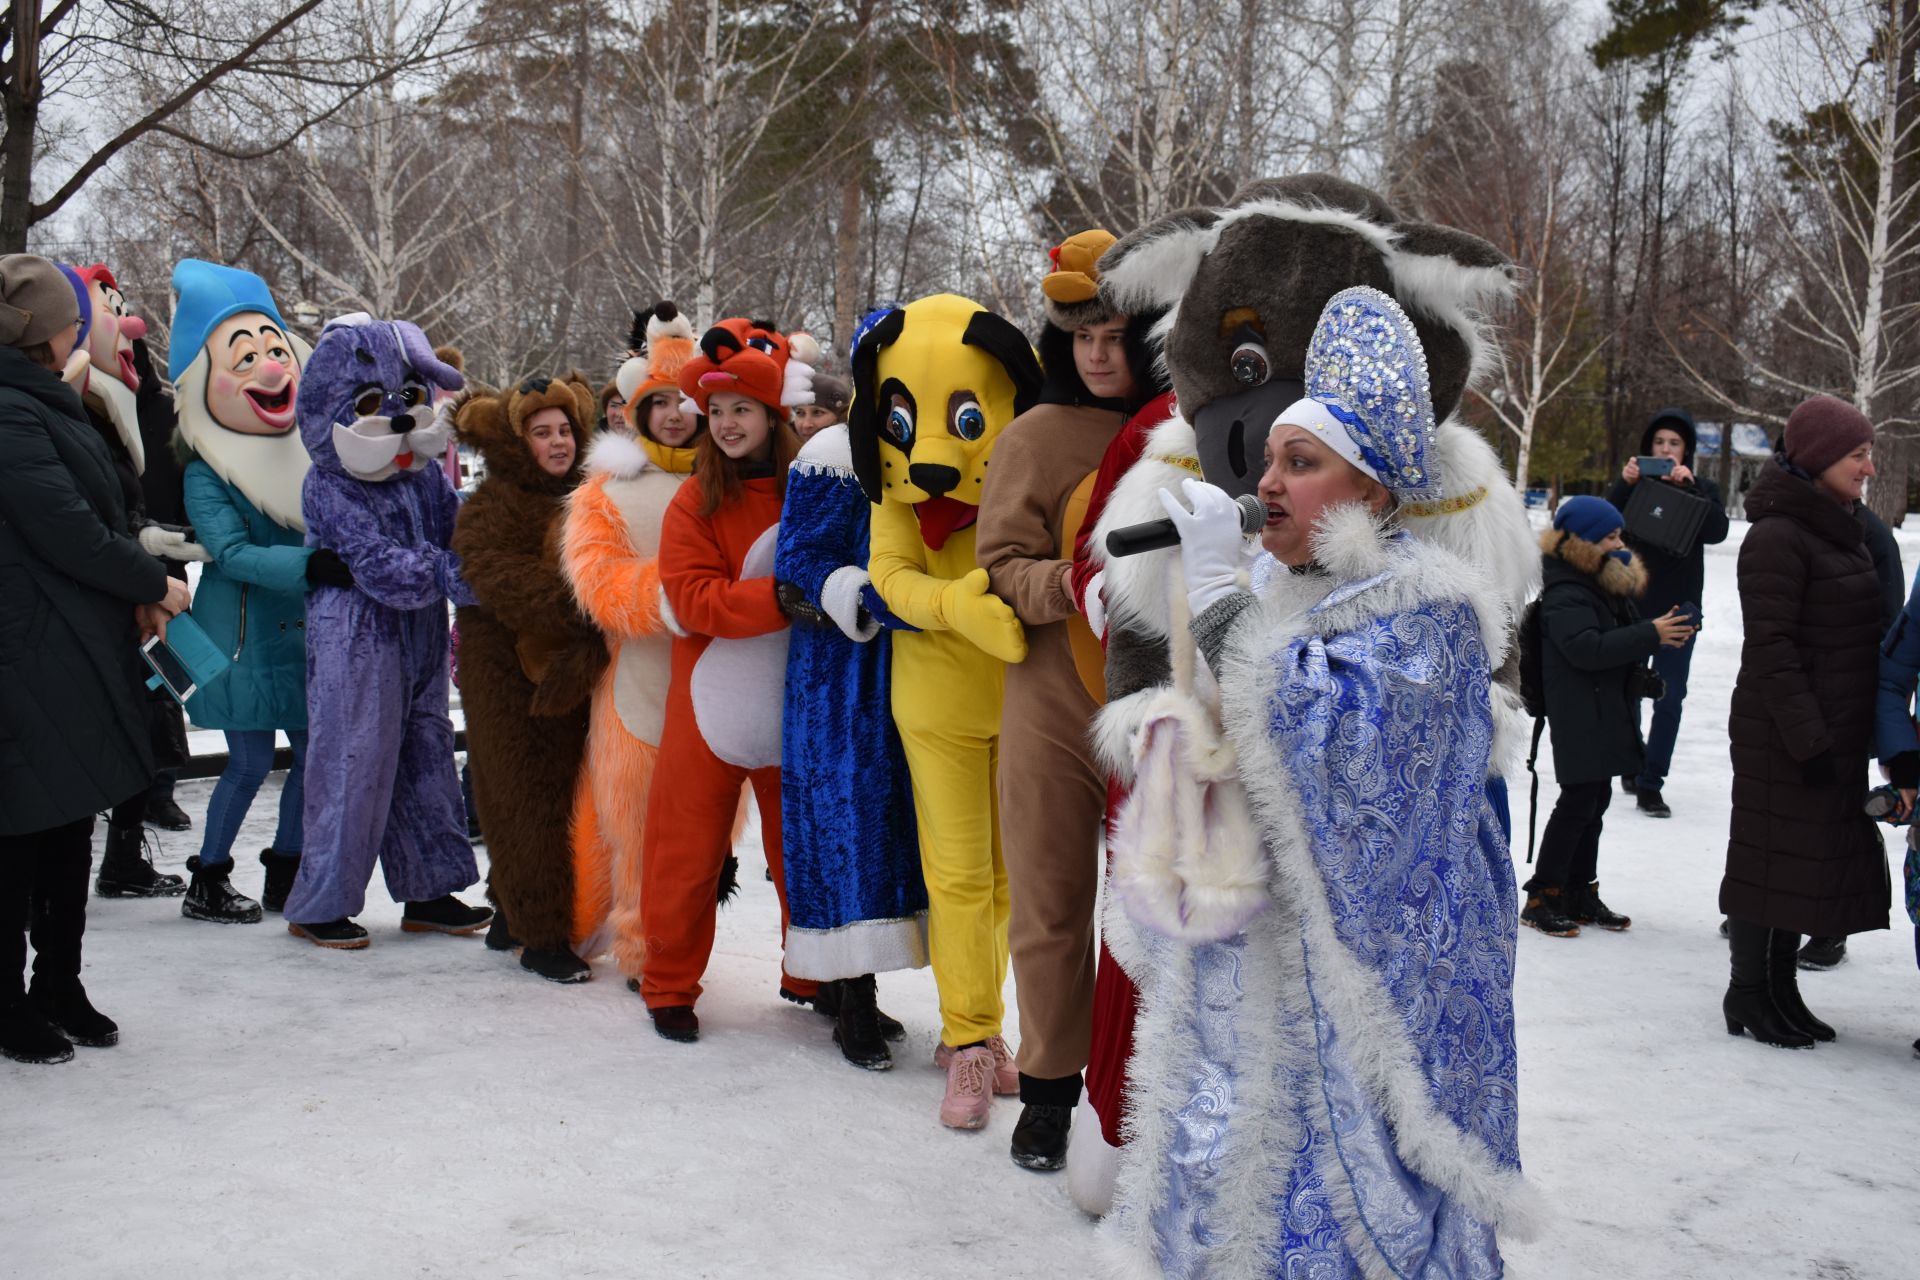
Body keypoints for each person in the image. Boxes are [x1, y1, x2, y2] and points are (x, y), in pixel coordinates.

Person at [1108, 286, 1540, 1273]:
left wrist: (1220, 603)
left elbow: (1336, 756)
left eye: (1301, 463)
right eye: (1270, 461)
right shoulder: (1274, 584)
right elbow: (1227, 739)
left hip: (1345, 1003)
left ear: (1374, 489)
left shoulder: (1430, 612)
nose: (1270, 482)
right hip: (1247, 962)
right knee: (1220, 1181)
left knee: (1320, 1210)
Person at [975, 228, 1169, 1171]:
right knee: (1050, 902)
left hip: (1158, 707)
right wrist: (1069, 584)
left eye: (1118, 335)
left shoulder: (1186, 431)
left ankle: (1142, 1084)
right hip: (1051, 697)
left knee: (1152, 904)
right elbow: (999, 564)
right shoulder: (1034, 436)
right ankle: (1049, 1092)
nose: (1100, 354)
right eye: (1083, 335)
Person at [847, 294, 1043, 1128]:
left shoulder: (1026, 472)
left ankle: (992, 1026)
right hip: (935, 702)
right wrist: (955, 608)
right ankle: (969, 1040)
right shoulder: (892, 490)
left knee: (1013, 880)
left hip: (1028, 700)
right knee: (959, 874)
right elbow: (887, 578)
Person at [0, 253, 189, 1063]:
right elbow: (65, 525)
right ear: (48, 333)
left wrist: (138, 581)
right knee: (22, 831)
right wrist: (152, 580)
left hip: (72, 642)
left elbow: (104, 509)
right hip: (28, 651)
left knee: (69, 819)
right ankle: (8, 1000)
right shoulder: (11, 412)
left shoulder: (49, 401)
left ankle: (60, 983)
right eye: (74, 317)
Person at [282, 315, 490, 949]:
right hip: (355, 636)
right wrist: (460, 575)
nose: (397, 417)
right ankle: (320, 902)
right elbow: (379, 567)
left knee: (426, 752)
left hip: (421, 634)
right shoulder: (329, 485)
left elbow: (462, 528)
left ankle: (430, 890)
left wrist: (494, 550)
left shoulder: (425, 476)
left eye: (407, 400)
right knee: (355, 761)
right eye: (372, 404)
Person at [637, 317, 810, 1044]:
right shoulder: (693, 502)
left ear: (773, 415)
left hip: (794, 707)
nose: (727, 423)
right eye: (717, 412)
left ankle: (816, 973)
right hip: (707, 709)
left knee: (802, 850)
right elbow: (694, 601)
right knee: (685, 852)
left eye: (742, 409)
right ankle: (668, 984)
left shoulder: (813, 492)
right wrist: (780, 599)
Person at [772, 334, 922, 1070]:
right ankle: (850, 998)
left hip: (916, 666)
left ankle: (858, 989)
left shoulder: (929, 442)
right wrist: (865, 597)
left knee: (901, 830)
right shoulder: (831, 453)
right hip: (839, 672)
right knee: (846, 822)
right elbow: (795, 565)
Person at [1722, 395, 1889, 1048]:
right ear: (1819, 458)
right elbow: (1772, 650)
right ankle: (1747, 990)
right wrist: (1807, 739)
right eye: (1857, 454)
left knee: (1797, 862)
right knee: (1766, 857)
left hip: (1829, 728)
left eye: (1869, 452)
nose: (1868, 467)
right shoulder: (1778, 537)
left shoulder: (1838, 528)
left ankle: (1779, 989)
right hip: (1783, 732)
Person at [167, 260, 326, 925]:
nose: (269, 366)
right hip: (238, 640)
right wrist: (317, 568)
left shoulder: (305, 454)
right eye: (246, 356)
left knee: (312, 755)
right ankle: (208, 878)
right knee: (251, 760)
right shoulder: (208, 472)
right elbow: (228, 552)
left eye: (274, 348)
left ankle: (285, 871)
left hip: (299, 632)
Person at [559, 301, 697, 986]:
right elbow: (597, 581)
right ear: (636, 409)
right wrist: (674, 596)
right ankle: (645, 953)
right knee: (635, 826)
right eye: (661, 401)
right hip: (637, 684)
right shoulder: (606, 491)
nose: (675, 414)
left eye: (687, 400)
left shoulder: (724, 479)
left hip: (711, 684)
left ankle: (680, 940)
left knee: (697, 836)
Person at [454, 374, 607, 983]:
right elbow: (500, 577)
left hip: (573, 673)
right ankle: (542, 934)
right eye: (541, 432)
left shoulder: (592, 493)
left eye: (564, 430)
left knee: (568, 798)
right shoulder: (491, 504)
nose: (557, 442)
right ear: (519, 441)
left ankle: (509, 910)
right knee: (527, 802)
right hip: (509, 680)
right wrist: (597, 597)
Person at [1524, 496, 1694, 937]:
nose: (1621, 543)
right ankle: (1544, 895)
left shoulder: (1600, 583)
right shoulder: (1567, 589)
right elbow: (1585, 648)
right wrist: (1649, 635)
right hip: (1577, 712)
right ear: (1582, 541)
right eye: (1610, 537)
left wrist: (1644, 661)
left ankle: (1580, 890)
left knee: (1594, 802)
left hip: (1601, 707)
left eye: (1620, 535)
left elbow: (1611, 642)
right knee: (1577, 802)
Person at [1604, 408, 1730, 819]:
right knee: (1630, 688)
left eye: (1674, 443)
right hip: (1635, 603)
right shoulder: (1635, 486)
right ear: (1648, 448)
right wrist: (1624, 485)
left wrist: (1691, 488)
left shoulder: (1702, 488)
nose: (1666, 449)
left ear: (1686, 450)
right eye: (1659, 443)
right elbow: (1605, 523)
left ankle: (1651, 782)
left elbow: (1717, 531)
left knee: (1670, 696)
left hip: (1681, 609)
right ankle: (1633, 760)